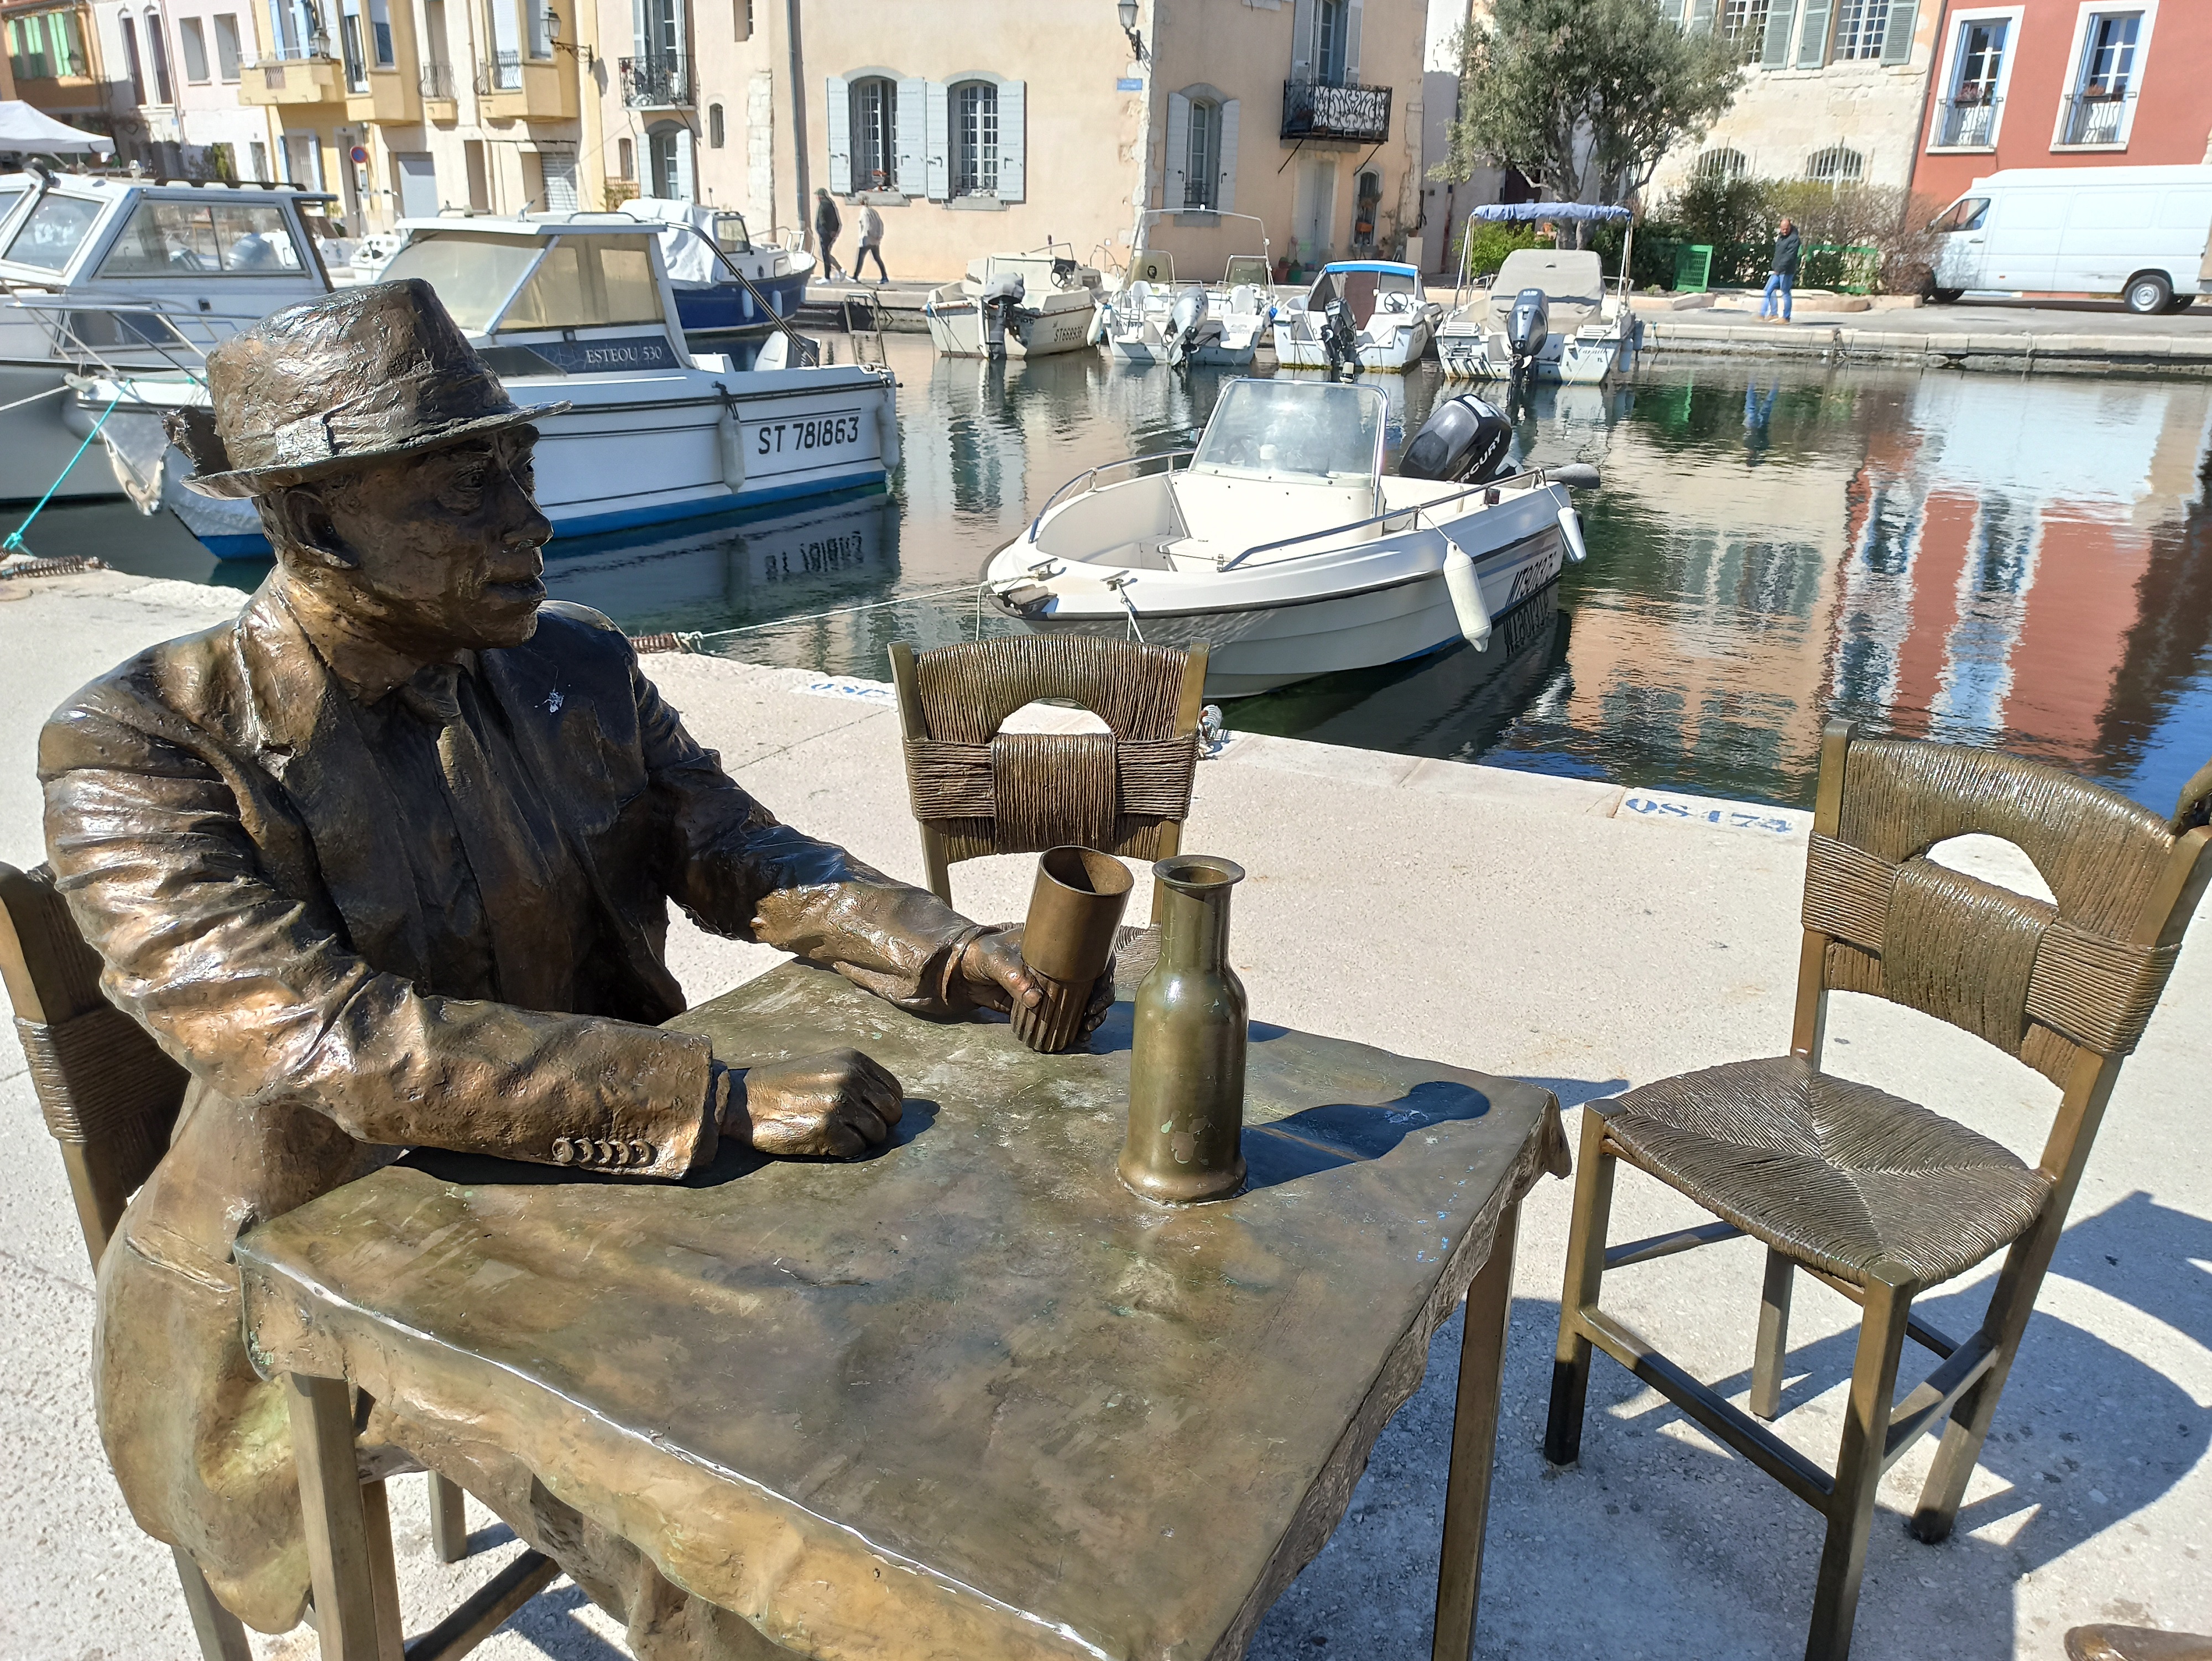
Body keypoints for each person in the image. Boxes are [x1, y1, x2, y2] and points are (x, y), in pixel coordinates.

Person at [41, 280, 1099, 1654]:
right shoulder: (140, 748)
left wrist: (953, 948)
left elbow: (736, 850)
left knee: (947, 1341)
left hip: (576, 1209)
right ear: (312, 521)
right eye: (462, 493)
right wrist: (705, 1100)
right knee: (725, 1557)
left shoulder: (579, 666)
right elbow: (328, 1038)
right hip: (321, 1268)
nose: (528, 522)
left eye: (519, 473)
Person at [1761, 217, 1801, 324]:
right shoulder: (1781, 237)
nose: (1784, 231)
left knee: (1786, 293)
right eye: (1782, 229)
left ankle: (1786, 317)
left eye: (1786, 229)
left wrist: (1779, 268)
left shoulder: (1794, 239)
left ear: (1790, 227)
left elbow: (1789, 257)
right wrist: (1775, 267)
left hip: (1786, 272)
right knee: (1768, 290)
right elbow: (1778, 254)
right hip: (1777, 271)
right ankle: (1773, 314)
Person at [813, 184, 845, 279]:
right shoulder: (831, 204)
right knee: (825, 253)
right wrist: (834, 231)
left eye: (817, 196)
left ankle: (828, 276)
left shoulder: (822, 206)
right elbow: (836, 221)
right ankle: (839, 271)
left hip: (825, 233)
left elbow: (822, 221)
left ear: (819, 197)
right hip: (832, 233)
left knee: (824, 254)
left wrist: (827, 231)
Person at [855, 200, 888, 283]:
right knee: (877, 258)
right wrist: (879, 235)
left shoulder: (864, 212)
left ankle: (855, 276)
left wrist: (866, 236)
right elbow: (880, 224)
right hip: (875, 240)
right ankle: (884, 276)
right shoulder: (873, 212)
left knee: (860, 258)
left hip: (867, 239)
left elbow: (867, 225)